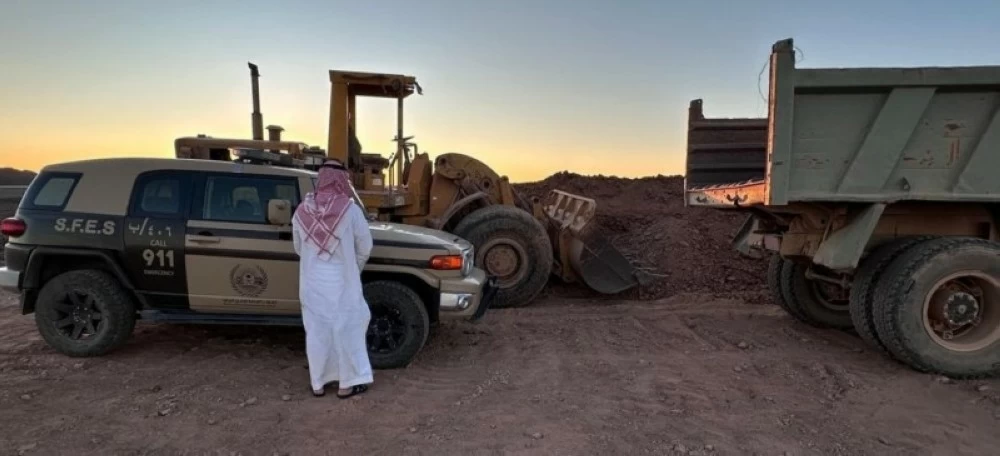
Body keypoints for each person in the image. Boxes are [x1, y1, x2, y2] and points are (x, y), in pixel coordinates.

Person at [291, 159, 374, 398]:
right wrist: (353, 268)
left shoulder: (301, 212)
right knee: (346, 329)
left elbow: (298, 248)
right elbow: (365, 247)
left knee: (317, 332)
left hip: (312, 283)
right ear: (342, 180)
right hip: (342, 283)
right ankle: (346, 384)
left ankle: (318, 383)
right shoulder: (351, 210)